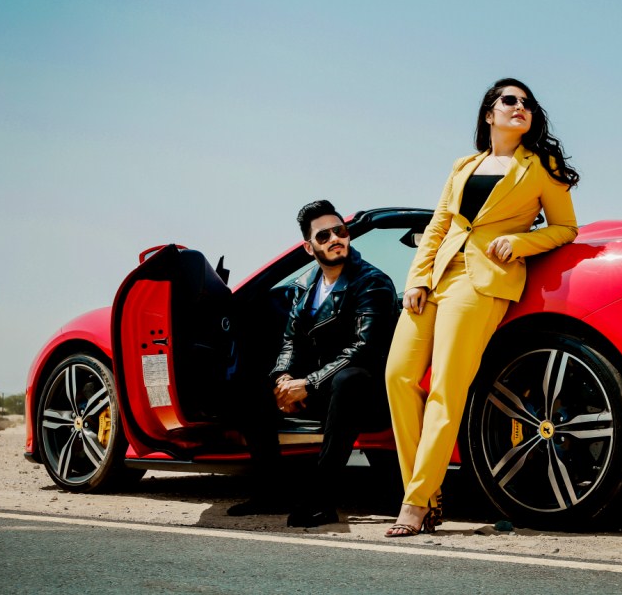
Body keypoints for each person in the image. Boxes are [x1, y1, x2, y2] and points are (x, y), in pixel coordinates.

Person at [383, 78, 580, 537]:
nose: (520, 106)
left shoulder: (541, 167)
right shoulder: (464, 165)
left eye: (527, 103)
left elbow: (566, 227)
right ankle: (427, 492)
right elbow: (439, 226)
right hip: (438, 276)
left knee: (446, 389)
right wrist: (417, 278)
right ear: (489, 114)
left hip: (483, 282)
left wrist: (521, 241)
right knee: (398, 377)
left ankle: (414, 503)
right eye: (509, 100)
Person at [227, 199, 397, 527]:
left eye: (340, 231)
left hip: (368, 394)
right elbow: (290, 340)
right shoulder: (305, 286)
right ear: (309, 247)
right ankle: (271, 492)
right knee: (250, 387)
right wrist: (283, 380)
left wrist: (307, 384)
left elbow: (365, 348)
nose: (335, 239)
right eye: (324, 236)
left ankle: (322, 501)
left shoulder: (373, 282)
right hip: (321, 388)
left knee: (350, 380)